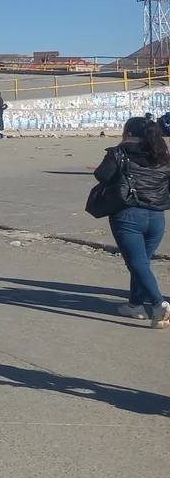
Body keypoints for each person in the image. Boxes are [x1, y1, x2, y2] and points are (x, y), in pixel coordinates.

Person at [94, 117, 170, 325]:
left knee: (137, 263)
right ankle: (135, 305)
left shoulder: (119, 153)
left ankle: (158, 304)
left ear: (128, 133)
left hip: (128, 214)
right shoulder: (163, 156)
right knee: (141, 263)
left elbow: (102, 175)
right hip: (156, 217)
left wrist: (119, 149)